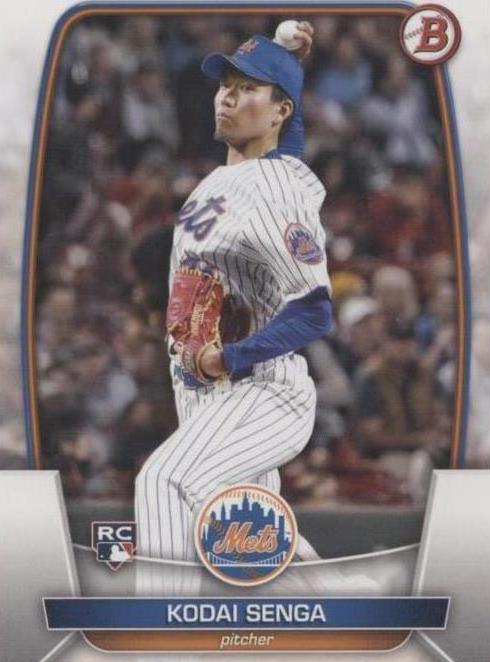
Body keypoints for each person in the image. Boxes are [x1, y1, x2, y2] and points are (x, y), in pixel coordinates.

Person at [135, 23, 343, 593]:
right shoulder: (235, 176)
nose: (228, 96)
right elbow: (281, 145)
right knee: (250, 540)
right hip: (209, 399)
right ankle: (353, 606)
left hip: (260, 392)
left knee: (165, 483)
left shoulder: (276, 190)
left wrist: (231, 357)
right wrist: (285, 55)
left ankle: (159, 637)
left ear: (279, 111)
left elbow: (315, 311)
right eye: (226, 84)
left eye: (248, 88)